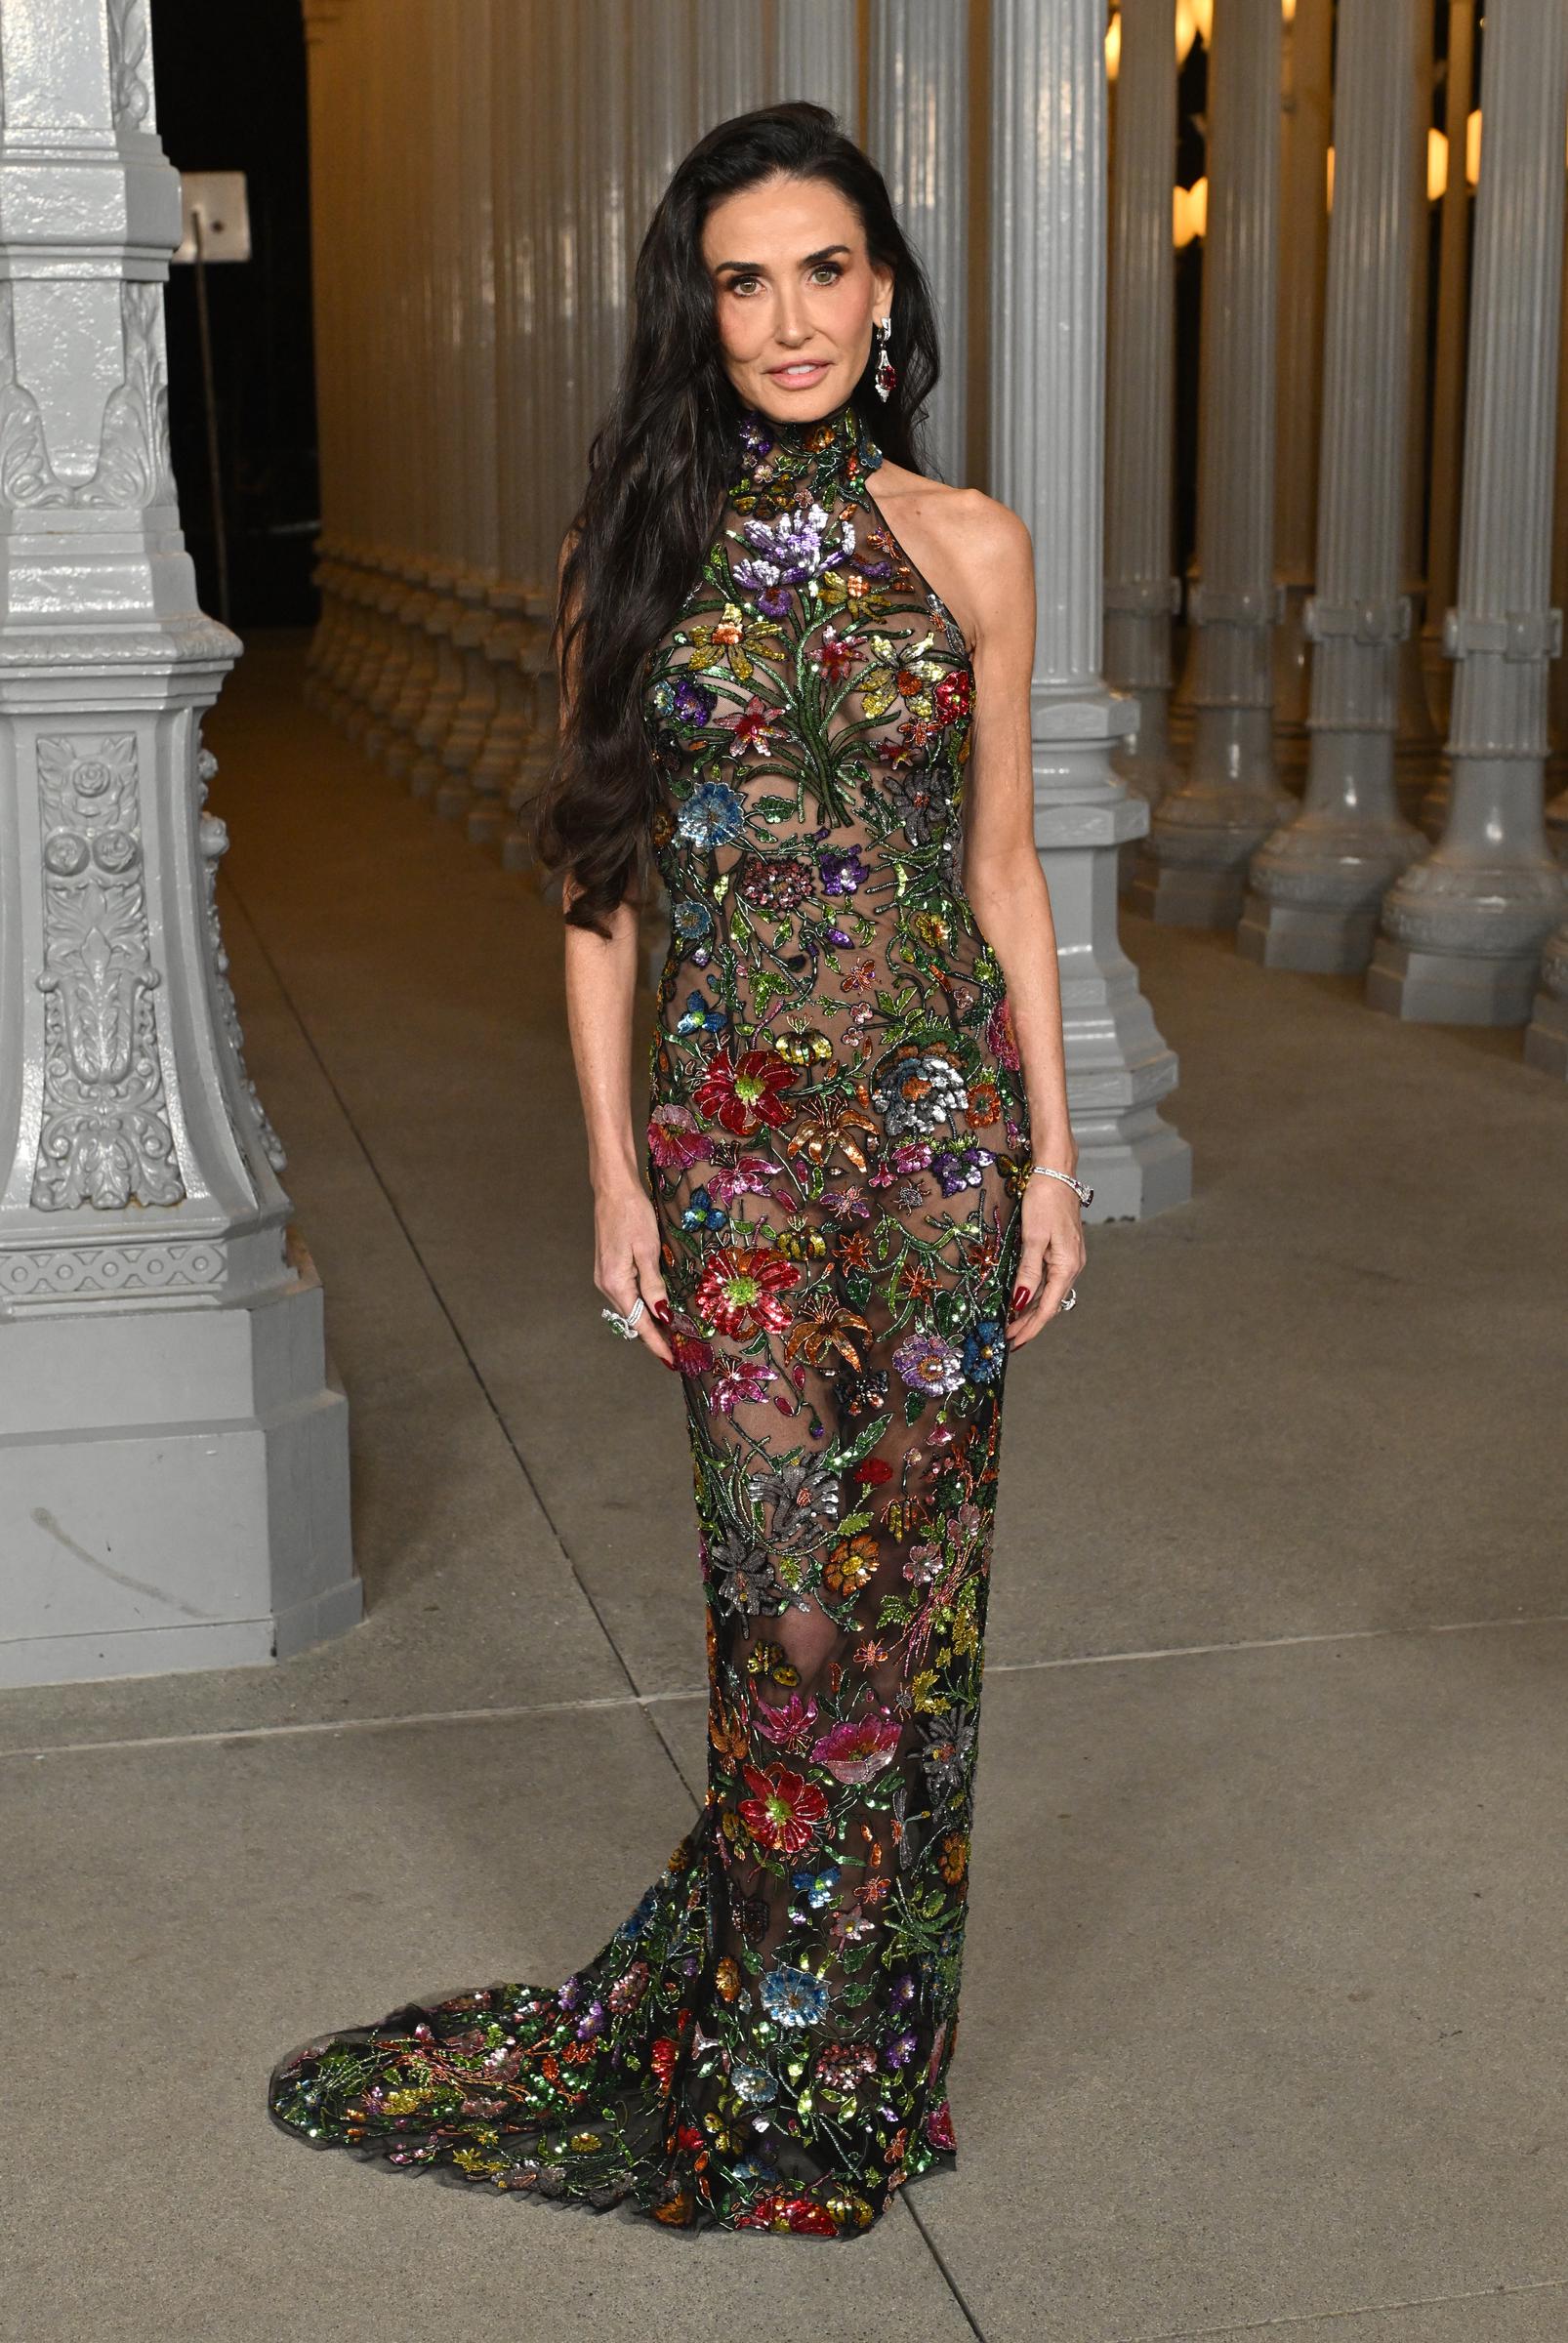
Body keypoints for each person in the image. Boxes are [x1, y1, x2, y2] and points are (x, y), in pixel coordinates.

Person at [268, 100, 1087, 2241]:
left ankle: (861, 2084)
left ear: (886, 290)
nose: (790, 317)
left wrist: (1052, 1162)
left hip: (928, 1155)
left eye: (824, 270)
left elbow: (1001, 875)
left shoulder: (973, 544)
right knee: (785, 1612)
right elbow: (599, 893)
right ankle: (759, 2048)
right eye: (745, 280)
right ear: (697, 311)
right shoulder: (633, 550)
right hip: (726, 1165)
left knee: (918, 1622)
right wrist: (617, 1181)